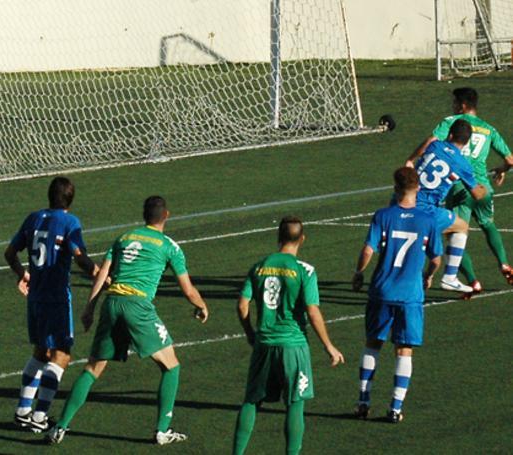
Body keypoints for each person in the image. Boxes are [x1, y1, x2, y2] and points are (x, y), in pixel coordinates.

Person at [47, 196, 209, 446]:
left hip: (111, 304)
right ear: (166, 215)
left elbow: (103, 273)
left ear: (144, 215)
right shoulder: (169, 246)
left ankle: (60, 427)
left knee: (92, 369)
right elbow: (188, 290)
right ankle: (162, 431)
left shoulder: (123, 238)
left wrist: (90, 308)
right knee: (171, 366)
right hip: (137, 307)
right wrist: (201, 305)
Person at [232, 216, 345, 455]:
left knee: (252, 401)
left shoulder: (259, 266)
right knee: (295, 403)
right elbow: (312, 311)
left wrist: (251, 334)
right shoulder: (305, 270)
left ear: (278, 237)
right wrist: (329, 346)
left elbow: (242, 305)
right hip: (293, 346)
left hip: (264, 344)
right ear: (302, 239)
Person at [3, 176, 98, 432]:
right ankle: (40, 416)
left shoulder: (33, 218)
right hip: (56, 297)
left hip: (35, 297)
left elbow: (9, 254)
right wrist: (96, 271)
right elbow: (79, 257)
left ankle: (23, 411)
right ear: (70, 199)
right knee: (61, 355)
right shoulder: (69, 222)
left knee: (41, 351)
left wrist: (22, 274)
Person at [351, 167, 443, 423]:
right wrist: (428, 274)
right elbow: (436, 258)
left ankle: (362, 402)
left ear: (395, 188)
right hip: (410, 296)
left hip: (381, 291)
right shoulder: (428, 220)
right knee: (404, 350)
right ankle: (395, 408)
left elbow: (368, 250)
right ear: (418, 189)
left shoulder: (383, 215)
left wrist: (358, 273)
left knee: (373, 344)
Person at [413, 87, 513, 292]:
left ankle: (471, 280)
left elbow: (432, 141)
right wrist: (502, 171)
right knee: (488, 224)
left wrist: (412, 160)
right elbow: (510, 160)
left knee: (456, 232)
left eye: (455, 102)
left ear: (463, 105)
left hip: (459, 187)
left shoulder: (452, 122)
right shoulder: (489, 129)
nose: (453, 106)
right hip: (482, 186)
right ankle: (503, 262)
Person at [407, 120, 485, 293]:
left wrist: (411, 159)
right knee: (461, 227)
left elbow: (429, 141)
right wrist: (484, 187)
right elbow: (477, 194)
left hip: (403, 200)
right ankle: (449, 277)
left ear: (450, 135)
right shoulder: (462, 164)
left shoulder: (435, 146)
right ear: (466, 142)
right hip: (425, 209)